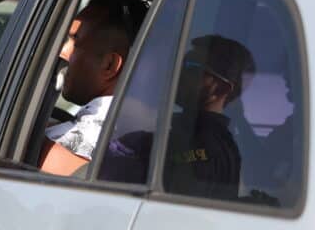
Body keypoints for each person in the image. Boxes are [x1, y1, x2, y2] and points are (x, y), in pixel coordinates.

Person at [101, 35, 256, 201]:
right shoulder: (204, 137)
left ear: (219, 89)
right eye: (180, 64)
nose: (178, 72)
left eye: (190, 67)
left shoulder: (204, 146)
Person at [39, 0, 149, 176]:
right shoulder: (159, 129)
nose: (61, 51)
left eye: (74, 40)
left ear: (109, 65)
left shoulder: (53, 146)